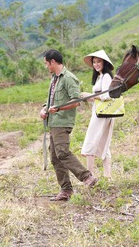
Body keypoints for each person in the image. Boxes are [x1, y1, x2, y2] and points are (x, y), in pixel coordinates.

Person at [40, 49, 97, 201]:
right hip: (53, 121)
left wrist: (58, 108)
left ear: (53, 62)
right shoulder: (54, 79)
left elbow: (76, 101)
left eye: (47, 64)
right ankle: (66, 190)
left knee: (62, 152)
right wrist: (44, 109)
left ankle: (86, 176)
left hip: (62, 121)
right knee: (55, 157)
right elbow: (51, 100)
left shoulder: (69, 78)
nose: (47, 67)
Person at [80, 50, 116, 179]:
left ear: (104, 63)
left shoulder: (106, 76)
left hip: (102, 114)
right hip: (100, 112)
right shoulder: (100, 77)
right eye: (94, 62)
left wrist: (89, 95)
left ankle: (90, 176)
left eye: (98, 61)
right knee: (103, 142)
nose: (96, 64)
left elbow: (106, 95)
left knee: (91, 141)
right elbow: (99, 97)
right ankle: (108, 176)